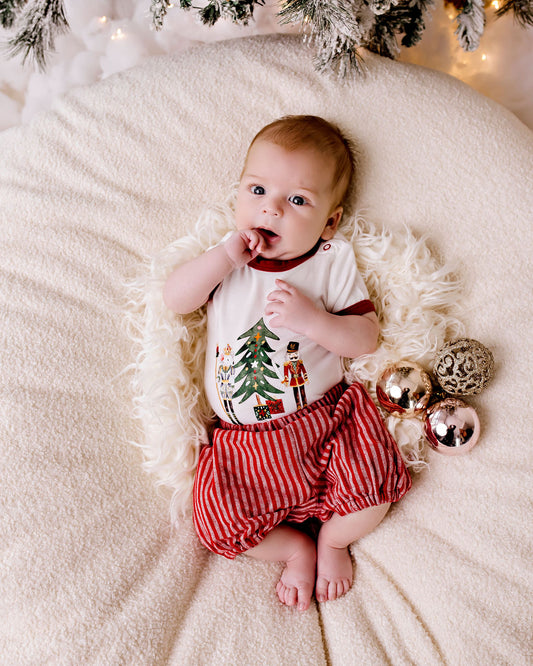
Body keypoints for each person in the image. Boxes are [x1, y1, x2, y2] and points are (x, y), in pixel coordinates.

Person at [163, 115, 411, 611]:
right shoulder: (224, 261)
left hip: (327, 423)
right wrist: (223, 258)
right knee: (215, 520)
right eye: (257, 190)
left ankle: (333, 541)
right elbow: (175, 299)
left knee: (376, 490)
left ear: (331, 221)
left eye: (297, 200)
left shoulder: (330, 261)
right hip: (244, 446)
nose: (271, 208)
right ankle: (294, 547)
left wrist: (314, 321)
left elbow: (364, 337)